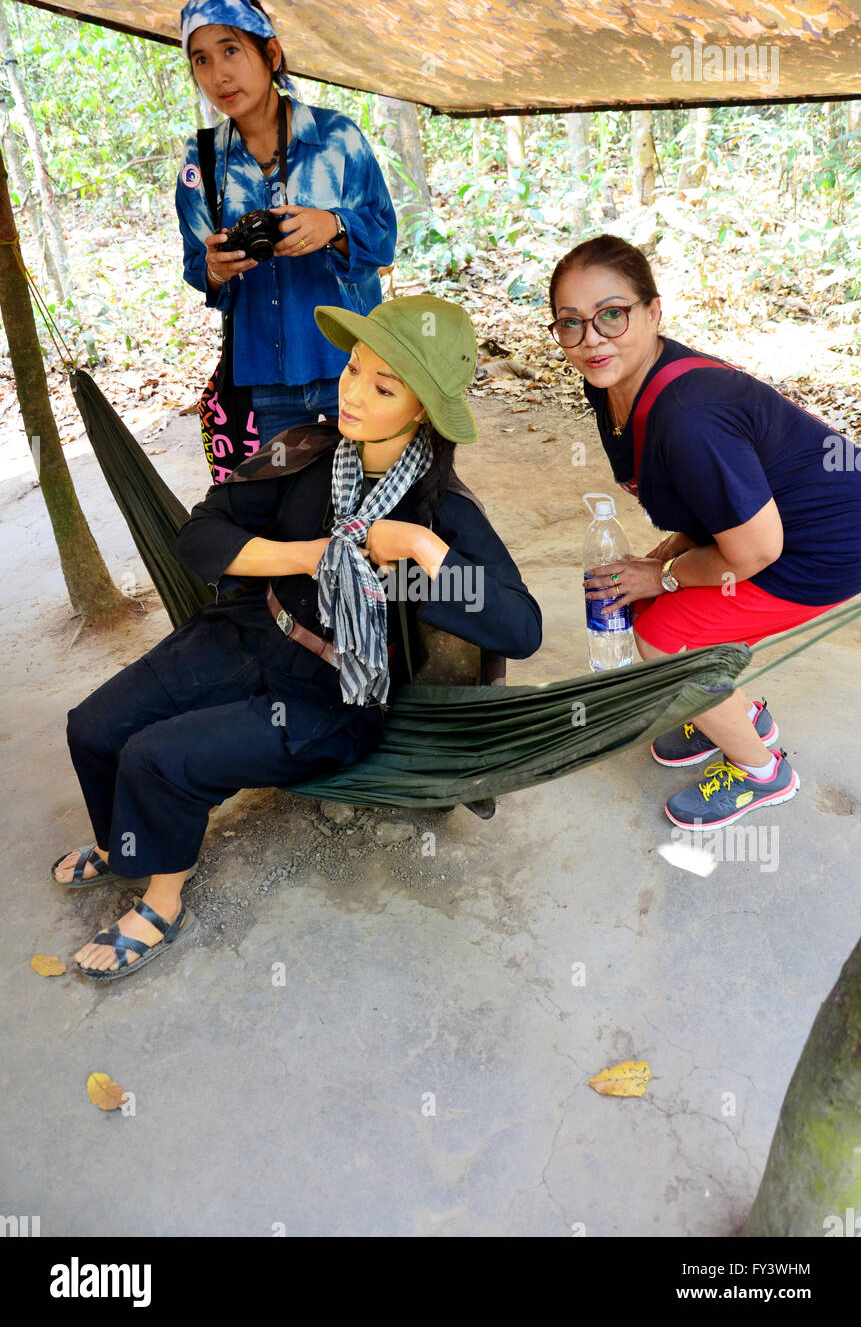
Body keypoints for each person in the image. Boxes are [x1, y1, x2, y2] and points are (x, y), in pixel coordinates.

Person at [51, 296, 542, 981]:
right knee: (95, 726)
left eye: (382, 386)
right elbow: (202, 532)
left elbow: (518, 629)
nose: (352, 392)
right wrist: (309, 555)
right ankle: (125, 845)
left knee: (159, 757)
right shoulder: (306, 452)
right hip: (254, 629)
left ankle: (162, 902)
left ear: (423, 408)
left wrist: (424, 550)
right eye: (350, 369)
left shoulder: (443, 511)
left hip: (335, 695)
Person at [547, 233, 861, 829]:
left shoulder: (690, 418)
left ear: (654, 311)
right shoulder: (613, 380)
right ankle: (742, 713)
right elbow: (709, 502)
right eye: (571, 323)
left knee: (666, 638)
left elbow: (757, 549)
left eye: (612, 315)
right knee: (643, 605)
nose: (592, 339)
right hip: (774, 529)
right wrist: (670, 556)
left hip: (820, 548)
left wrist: (662, 576)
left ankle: (761, 769)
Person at [175, 0, 397, 454]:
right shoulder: (203, 164)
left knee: (371, 502)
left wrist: (333, 227)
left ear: (271, 53)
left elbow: (383, 241)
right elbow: (197, 264)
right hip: (263, 375)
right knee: (288, 514)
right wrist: (215, 269)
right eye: (201, 60)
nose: (219, 75)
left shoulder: (338, 139)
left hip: (354, 363)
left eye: (230, 50)